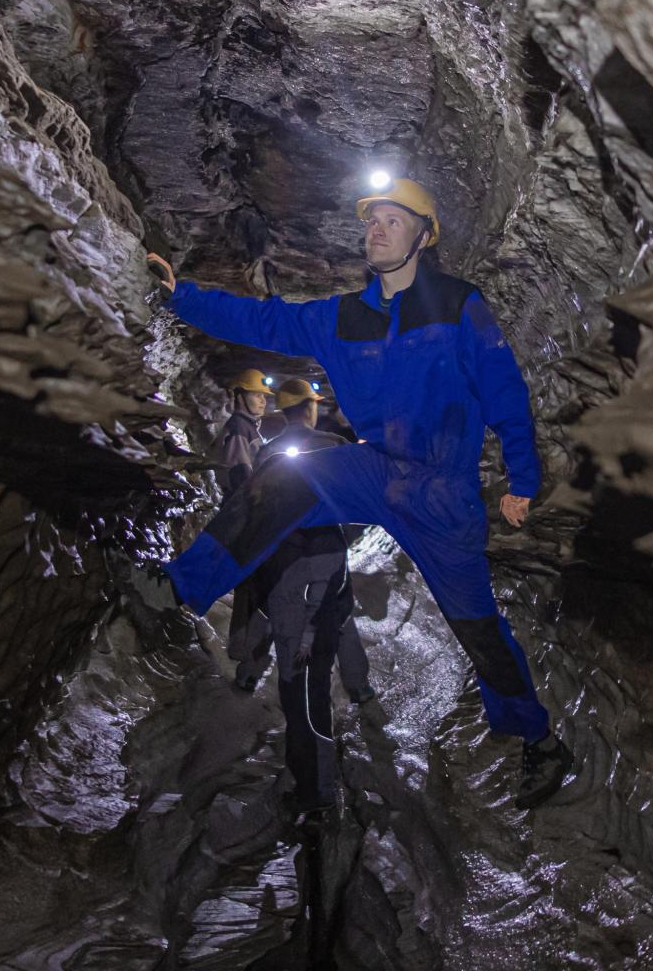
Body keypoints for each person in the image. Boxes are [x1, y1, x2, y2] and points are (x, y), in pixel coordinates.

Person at [143, 175, 574, 810]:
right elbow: (264, 319)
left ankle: (536, 738)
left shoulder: (459, 305)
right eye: (372, 221)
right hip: (377, 471)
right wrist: (181, 298)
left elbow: (505, 394)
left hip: (443, 494)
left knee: (479, 630)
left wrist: (523, 480)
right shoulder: (340, 317)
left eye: (393, 221)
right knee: (288, 474)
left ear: (422, 237)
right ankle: (181, 587)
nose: (376, 230)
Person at [256, 377, 363, 816]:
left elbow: (254, 524)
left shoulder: (267, 454)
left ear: (283, 411)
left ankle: (312, 784)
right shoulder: (336, 448)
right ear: (310, 408)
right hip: (327, 585)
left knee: (292, 687)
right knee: (315, 685)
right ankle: (316, 784)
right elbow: (358, 515)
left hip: (285, 587)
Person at [214, 369, 278, 688]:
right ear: (239, 396)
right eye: (256, 395)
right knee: (253, 588)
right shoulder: (240, 428)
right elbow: (241, 474)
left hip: (246, 514)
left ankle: (247, 656)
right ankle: (245, 658)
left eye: (264, 397)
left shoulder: (250, 428)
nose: (262, 401)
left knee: (251, 587)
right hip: (245, 515)